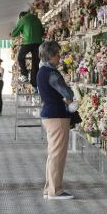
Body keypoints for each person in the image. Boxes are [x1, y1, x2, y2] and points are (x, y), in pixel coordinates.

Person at [37, 41, 79, 200]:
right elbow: (67, 93)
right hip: (57, 115)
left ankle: (50, 188)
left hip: (49, 114)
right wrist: (68, 96)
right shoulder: (51, 73)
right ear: (50, 55)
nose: (59, 57)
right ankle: (56, 190)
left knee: (53, 153)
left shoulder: (41, 71)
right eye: (57, 54)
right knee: (57, 154)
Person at [11, 10, 44, 88]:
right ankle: (35, 83)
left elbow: (14, 33)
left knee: (20, 57)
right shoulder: (37, 19)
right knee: (35, 62)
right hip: (38, 43)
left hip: (28, 42)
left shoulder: (22, 20)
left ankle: (24, 74)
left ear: (21, 17)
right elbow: (42, 31)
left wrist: (21, 32)